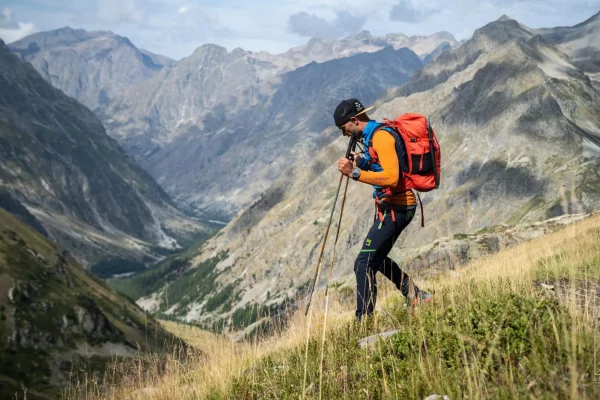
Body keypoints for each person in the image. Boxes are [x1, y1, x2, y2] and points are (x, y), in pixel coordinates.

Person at [333, 98, 431, 321]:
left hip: (400, 205)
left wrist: (354, 173)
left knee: (363, 264)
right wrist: (363, 162)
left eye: (344, 129)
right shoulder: (373, 136)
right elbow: (382, 166)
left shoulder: (382, 137)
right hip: (391, 206)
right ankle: (416, 295)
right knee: (377, 258)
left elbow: (392, 176)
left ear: (354, 120)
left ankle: (364, 323)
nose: (345, 135)